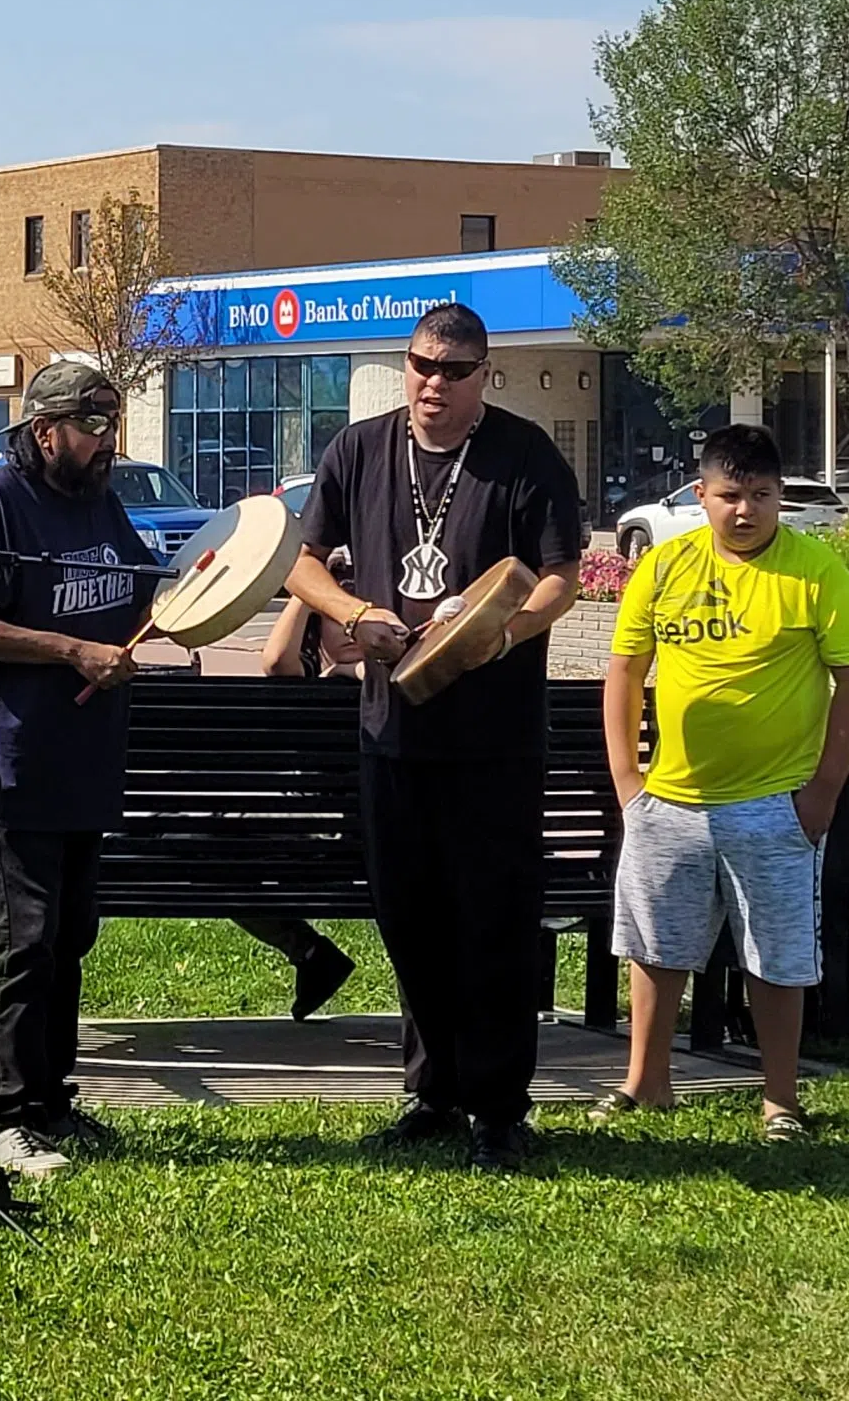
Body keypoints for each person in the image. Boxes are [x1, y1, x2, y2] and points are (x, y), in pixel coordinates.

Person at [285, 302, 583, 1172]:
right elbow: (302, 561)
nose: (434, 385)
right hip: (393, 730)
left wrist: (498, 633)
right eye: (422, 365)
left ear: (484, 375)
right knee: (409, 917)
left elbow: (560, 576)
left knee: (492, 920)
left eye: (454, 371)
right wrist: (352, 614)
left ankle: (499, 1108)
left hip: (495, 738)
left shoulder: (524, 454)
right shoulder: (358, 449)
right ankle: (433, 1094)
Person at [595, 423, 849, 1141]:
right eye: (730, 496)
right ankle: (645, 1083)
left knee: (777, 955)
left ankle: (780, 1100)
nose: (745, 510)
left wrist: (821, 794)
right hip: (670, 802)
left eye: (762, 496)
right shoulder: (665, 567)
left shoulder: (814, 572)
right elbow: (626, 670)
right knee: (655, 947)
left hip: (774, 805)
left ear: (780, 497)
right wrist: (629, 780)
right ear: (701, 495)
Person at [0, 360, 153, 1181]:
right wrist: (70, 650)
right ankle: (8, 1120)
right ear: (45, 430)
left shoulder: (100, 498)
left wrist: (191, 604)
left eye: (111, 425)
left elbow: (138, 593)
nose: (106, 442)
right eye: (91, 426)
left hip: (85, 758)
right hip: (14, 759)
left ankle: (53, 1101)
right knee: (23, 942)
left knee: (69, 937)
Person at [232, 551, 362, 1019]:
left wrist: (353, 671)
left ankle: (309, 952)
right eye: (337, 619)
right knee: (214, 856)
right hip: (312, 838)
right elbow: (274, 660)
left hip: (344, 839)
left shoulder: (395, 674)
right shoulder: (309, 676)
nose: (351, 631)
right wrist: (309, 588)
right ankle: (310, 954)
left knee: (208, 850)